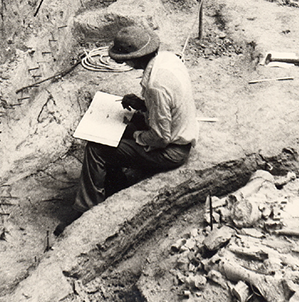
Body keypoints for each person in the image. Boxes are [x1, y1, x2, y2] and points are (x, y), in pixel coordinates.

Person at [54, 24, 198, 235]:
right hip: (179, 131)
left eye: (124, 60)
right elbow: (169, 104)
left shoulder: (155, 85)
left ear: (133, 58)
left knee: (96, 148)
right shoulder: (168, 59)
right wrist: (141, 105)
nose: (124, 63)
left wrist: (134, 134)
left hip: (172, 150)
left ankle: (85, 209)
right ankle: (115, 180)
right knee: (122, 126)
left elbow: (160, 137)